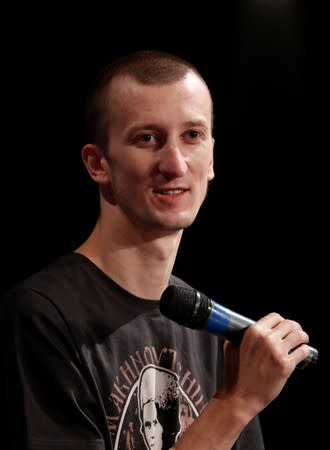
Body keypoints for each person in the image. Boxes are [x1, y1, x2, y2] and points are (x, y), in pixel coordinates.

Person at [0, 49, 312, 450]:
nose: (175, 163)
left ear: (212, 157)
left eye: (192, 136)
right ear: (98, 163)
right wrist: (236, 404)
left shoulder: (212, 330)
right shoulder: (43, 313)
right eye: (147, 138)